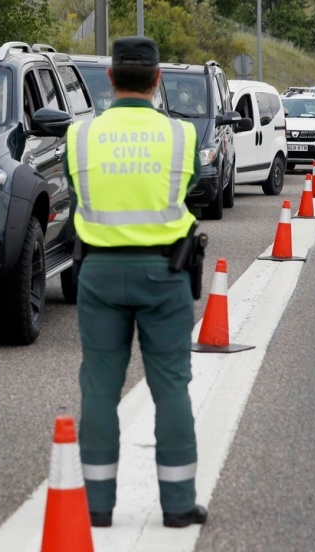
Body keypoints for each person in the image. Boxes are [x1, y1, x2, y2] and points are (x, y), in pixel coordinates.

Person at [64, 36, 208, 530]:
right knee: (171, 388)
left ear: (109, 77)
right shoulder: (182, 136)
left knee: (99, 388)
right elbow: (188, 187)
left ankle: (97, 508)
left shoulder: (79, 135)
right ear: (158, 77)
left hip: (99, 274)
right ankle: (178, 505)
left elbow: (78, 189)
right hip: (165, 275)